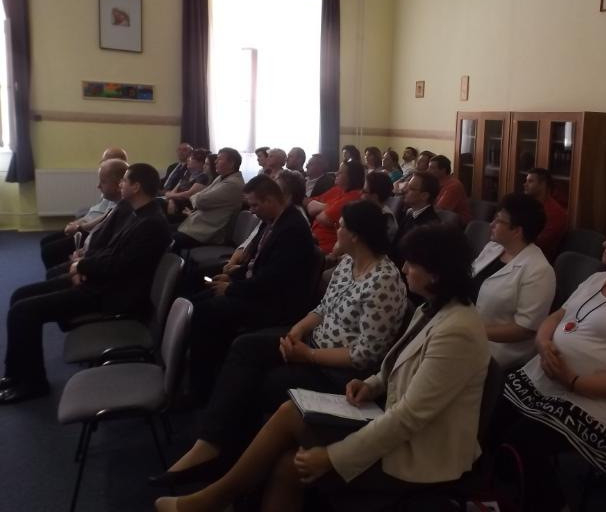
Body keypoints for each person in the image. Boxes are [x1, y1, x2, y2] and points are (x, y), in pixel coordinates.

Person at [154, 225, 490, 512]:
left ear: (435, 274)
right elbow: (395, 365)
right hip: (397, 424)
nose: (404, 269)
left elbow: (409, 418)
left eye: (412, 264)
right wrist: (371, 385)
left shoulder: (457, 331)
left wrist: (332, 456)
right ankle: (213, 497)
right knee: (289, 449)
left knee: (290, 442)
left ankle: (211, 498)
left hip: (423, 454)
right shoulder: (432, 308)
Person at [150, 200, 407, 487]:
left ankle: (232, 462)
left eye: (341, 227)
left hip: (339, 373)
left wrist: (307, 355)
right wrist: (296, 332)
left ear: (356, 235)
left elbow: (364, 355)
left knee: (262, 383)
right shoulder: (348, 264)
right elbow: (322, 309)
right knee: (245, 347)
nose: (336, 230)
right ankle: (210, 446)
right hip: (311, 345)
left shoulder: (384, 282)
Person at [490, 215, 606, 511]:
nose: (605, 243)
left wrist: (573, 380)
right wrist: (543, 344)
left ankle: (550, 502)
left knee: (522, 441)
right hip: (553, 380)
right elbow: (557, 316)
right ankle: (503, 491)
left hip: (599, 403)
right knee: (494, 412)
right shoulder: (597, 279)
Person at [0, 163, 171, 404]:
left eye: (125, 180)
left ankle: (33, 383)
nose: (120, 184)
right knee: (19, 295)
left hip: (112, 295)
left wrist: (81, 267)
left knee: (23, 311)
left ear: (136, 187)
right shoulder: (135, 211)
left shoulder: (151, 223)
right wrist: (82, 264)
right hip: (102, 282)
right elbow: (108, 249)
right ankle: (15, 375)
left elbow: (118, 265)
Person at [188, 174, 316, 402]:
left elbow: (272, 280)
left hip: (276, 304)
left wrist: (231, 289)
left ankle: (201, 390)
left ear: (271, 200)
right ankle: (204, 370)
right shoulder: (272, 221)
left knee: (205, 311)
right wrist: (232, 276)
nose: (252, 211)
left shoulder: (292, 229)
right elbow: (255, 266)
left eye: (255, 205)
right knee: (196, 298)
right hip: (259, 291)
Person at [472, 193, 556, 370]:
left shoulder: (539, 271)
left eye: (499, 221)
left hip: (498, 353)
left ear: (517, 231)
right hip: (468, 334)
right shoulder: (493, 248)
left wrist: (472, 330)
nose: (491, 224)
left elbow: (524, 329)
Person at [39, 158, 129, 269]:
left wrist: (84, 256)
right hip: (90, 238)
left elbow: (103, 232)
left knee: (49, 252)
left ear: (119, 184)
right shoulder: (115, 201)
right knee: (47, 246)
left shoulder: (123, 209)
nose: (98, 186)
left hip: (92, 242)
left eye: (103, 182)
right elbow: (101, 218)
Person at [173, 147, 245, 250]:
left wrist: (196, 198)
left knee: (167, 239)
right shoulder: (221, 177)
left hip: (208, 233)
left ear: (231, 163)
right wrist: (196, 198)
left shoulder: (232, 184)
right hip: (199, 224)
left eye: (219, 159)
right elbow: (199, 196)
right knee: (164, 231)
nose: (215, 161)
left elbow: (200, 201)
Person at [308, 160, 364, 254]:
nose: (336, 173)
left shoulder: (354, 197)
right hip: (313, 239)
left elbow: (325, 218)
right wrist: (329, 206)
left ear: (351, 177)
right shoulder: (337, 189)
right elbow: (310, 204)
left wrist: (319, 209)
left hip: (326, 248)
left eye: (340, 172)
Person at [523, 168, 569, 261]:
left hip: (538, 258)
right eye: (526, 181)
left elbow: (541, 243)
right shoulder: (528, 205)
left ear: (542, 185)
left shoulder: (556, 212)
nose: (525, 184)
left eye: (530, 181)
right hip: (521, 251)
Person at [392, 171, 440, 251]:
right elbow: (395, 244)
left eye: (411, 188)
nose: (405, 190)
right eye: (407, 186)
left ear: (424, 196)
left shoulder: (429, 228)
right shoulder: (410, 213)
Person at [163, 149, 211, 219]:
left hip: (186, 207)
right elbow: (174, 191)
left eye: (191, 158)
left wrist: (170, 196)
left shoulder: (203, 177)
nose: (188, 160)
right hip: (175, 203)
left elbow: (189, 194)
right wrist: (171, 200)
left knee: (158, 204)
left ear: (200, 162)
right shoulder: (188, 173)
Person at [428, 154, 471, 226]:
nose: (428, 171)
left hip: (458, 224)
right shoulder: (434, 182)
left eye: (432, 168)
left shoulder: (453, 186)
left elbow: (440, 210)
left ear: (443, 170)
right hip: (441, 219)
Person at [362, 171, 398, 242]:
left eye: (364, 191)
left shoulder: (383, 220)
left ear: (374, 197)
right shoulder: (371, 211)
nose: (361, 193)